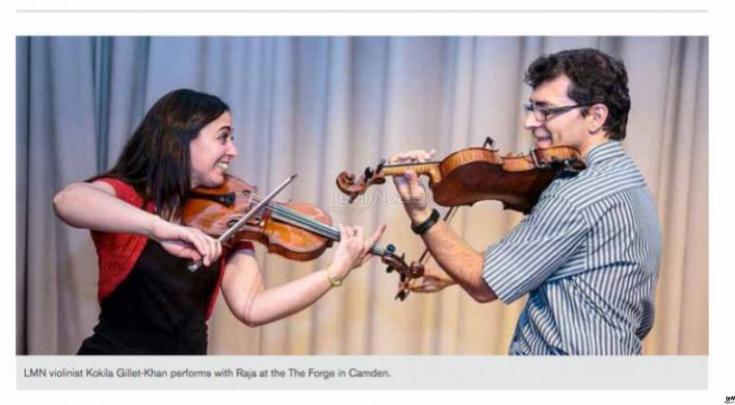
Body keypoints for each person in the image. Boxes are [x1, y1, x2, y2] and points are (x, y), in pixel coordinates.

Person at [53, 88, 385, 354]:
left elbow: (253, 307)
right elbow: (68, 201)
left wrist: (334, 273)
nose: (233, 150)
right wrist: (160, 227)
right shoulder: (130, 199)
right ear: (179, 140)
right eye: (223, 137)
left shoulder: (227, 221)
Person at [389, 48, 661, 355]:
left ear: (596, 116)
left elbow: (482, 284)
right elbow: (589, 277)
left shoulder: (577, 194)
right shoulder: (629, 181)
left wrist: (420, 211)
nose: (529, 122)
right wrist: (453, 278)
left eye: (546, 111)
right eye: (530, 108)